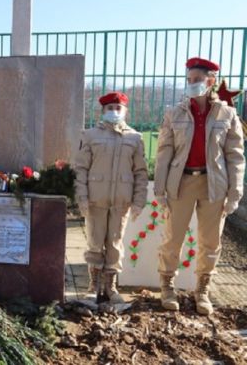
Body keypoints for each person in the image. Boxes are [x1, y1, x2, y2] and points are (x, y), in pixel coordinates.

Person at [154, 57, 245, 315]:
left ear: (211, 81)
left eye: (197, 80)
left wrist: (235, 193)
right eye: (189, 80)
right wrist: (160, 190)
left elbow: (235, 156)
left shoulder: (227, 114)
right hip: (181, 183)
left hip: (213, 185)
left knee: (210, 241)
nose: (192, 84)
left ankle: (202, 289)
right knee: (173, 237)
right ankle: (167, 285)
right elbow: (163, 155)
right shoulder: (175, 114)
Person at [74, 92, 148, 303]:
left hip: (121, 203)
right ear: (103, 111)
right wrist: (82, 197)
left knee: (115, 244)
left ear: (125, 111)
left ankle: (111, 287)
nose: (114, 112)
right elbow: (81, 169)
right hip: (96, 201)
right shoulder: (90, 136)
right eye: (110, 108)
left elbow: (140, 173)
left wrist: (138, 201)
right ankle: (93, 286)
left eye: (118, 108)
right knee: (95, 242)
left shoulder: (135, 138)